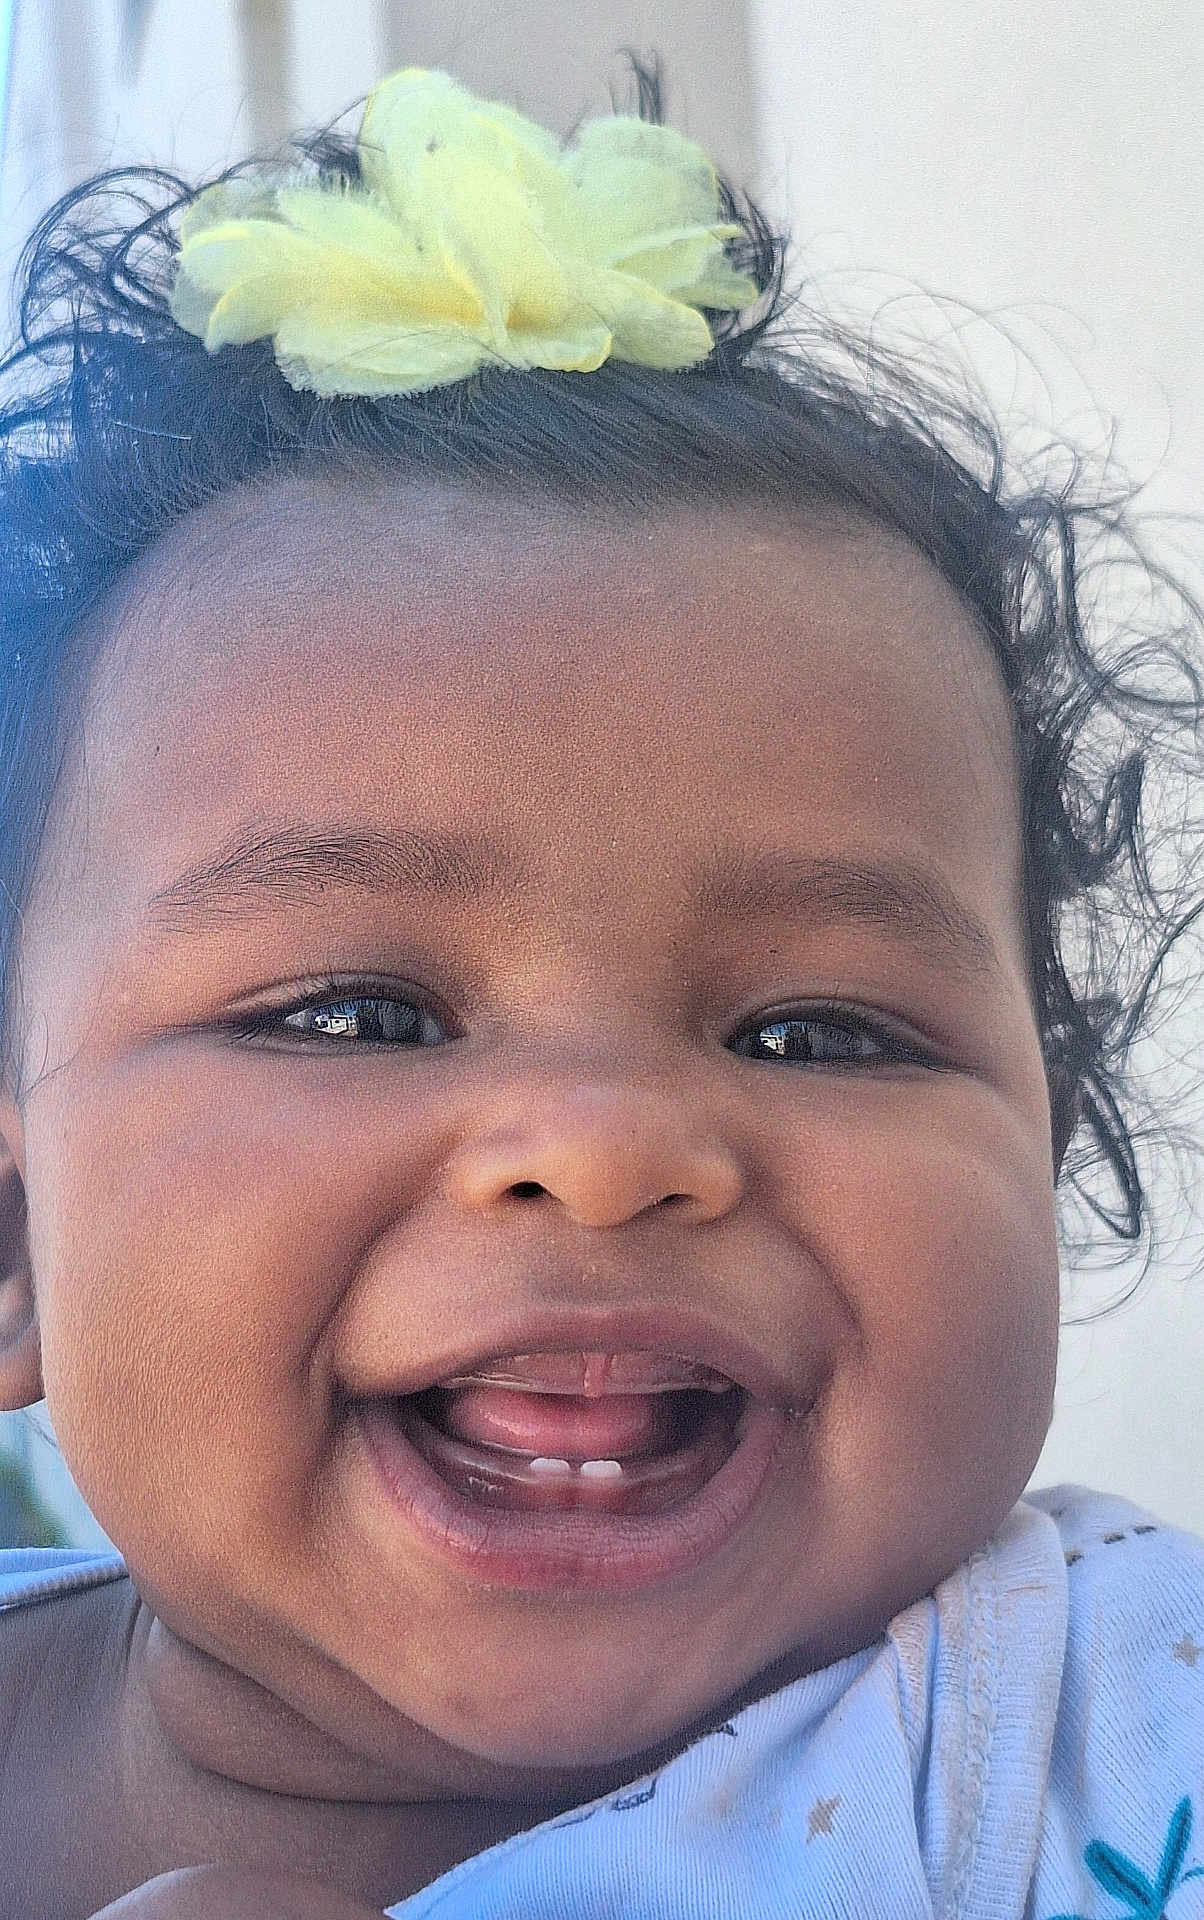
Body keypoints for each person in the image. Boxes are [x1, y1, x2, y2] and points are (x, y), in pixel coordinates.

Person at [0, 62, 1201, 1920]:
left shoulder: (1106, 1728)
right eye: (355, 1013)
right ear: (13, 1233)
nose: (609, 1143)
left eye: (817, 1032)